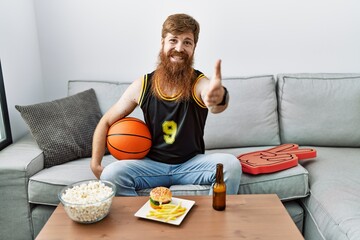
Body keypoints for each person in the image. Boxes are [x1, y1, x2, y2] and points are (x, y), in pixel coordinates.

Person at [90, 13, 242, 196]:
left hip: (191, 164)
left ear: (194, 47)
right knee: (111, 173)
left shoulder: (199, 83)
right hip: (151, 166)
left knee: (231, 165)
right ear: (162, 43)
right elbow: (106, 122)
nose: (179, 48)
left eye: (187, 42)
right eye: (173, 40)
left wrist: (219, 97)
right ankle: (141, 217)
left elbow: (214, 101)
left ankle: (214, 221)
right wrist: (95, 164)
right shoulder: (143, 85)